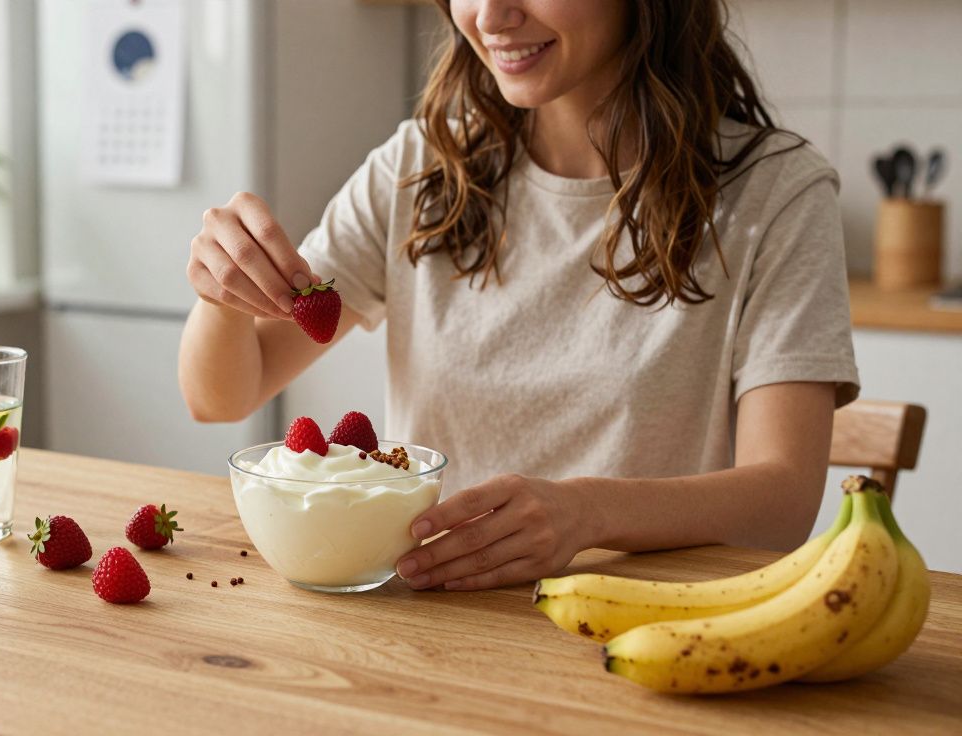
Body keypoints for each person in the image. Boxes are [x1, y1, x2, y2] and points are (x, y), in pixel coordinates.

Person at [177, 0, 858, 592]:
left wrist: (587, 514)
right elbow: (224, 396)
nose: (492, 15)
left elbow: (784, 500)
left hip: (642, 626)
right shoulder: (417, 168)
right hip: (432, 622)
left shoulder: (778, 194)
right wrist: (222, 296)